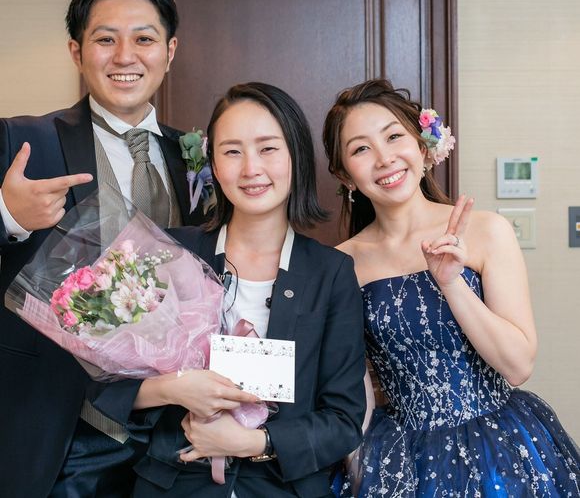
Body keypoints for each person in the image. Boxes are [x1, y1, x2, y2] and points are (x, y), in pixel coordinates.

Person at [0, 0, 219, 498]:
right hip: (64, 428)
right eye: (105, 40)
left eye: (143, 39)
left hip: (180, 432)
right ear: (77, 52)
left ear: (169, 50)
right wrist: (7, 215)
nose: (125, 57)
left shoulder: (199, 158)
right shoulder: (22, 140)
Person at [322, 78, 580, 497]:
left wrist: (451, 283)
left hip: (500, 449)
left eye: (393, 137)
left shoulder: (487, 231)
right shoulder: (340, 264)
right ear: (344, 175)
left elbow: (518, 366)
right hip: (401, 459)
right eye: (361, 149)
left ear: (423, 146)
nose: (385, 159)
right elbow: (358, 391)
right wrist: (357, 470)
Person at [131, 82, 367, 497]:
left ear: (296, 156)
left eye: (268, 148)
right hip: (175, 483)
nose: (251, 168)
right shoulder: (172, 252)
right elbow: (104, 385)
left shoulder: (330, 273)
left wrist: (252, 442)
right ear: (213, 163)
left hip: (283, 488)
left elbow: (344, 421)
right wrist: (171, 389)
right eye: (232, 151)